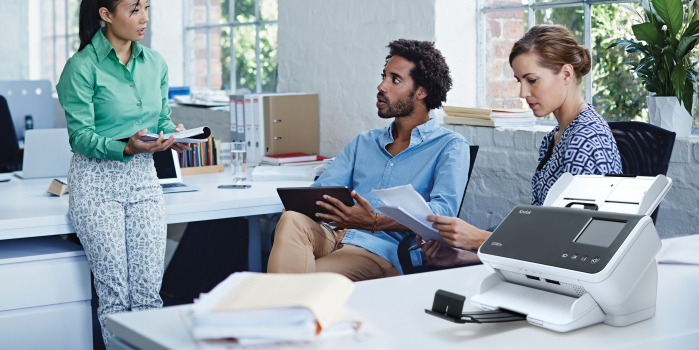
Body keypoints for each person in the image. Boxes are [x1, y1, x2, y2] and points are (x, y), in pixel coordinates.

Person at [56, 0, 191, 345]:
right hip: (97, 184)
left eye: (146, 8)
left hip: (144, 182)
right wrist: (125, 146)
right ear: (106, 14)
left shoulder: (156, 64)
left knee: (149, 295)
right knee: (115, 297)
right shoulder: (81, 67)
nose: (144, 18)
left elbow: (161, 118)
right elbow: (80, 136)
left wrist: (171, 136)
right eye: (134, 9)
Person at [420, 24, 622, 267]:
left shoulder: (585, 142)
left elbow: (572, 247)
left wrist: (478, 240)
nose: (523, 92)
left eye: (532, 80)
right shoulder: (556, 136)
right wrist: (467, 255)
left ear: (566, 74)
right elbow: (541, 232)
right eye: (519, 81)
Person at [267, 39, 470, 281]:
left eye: (395, 80)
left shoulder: (450, 146)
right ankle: (289, 310)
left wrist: (374, 221)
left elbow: (443, 215)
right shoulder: (364, 142)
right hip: (333, 235)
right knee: (292, 219)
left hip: (379, 249)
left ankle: (281, 307)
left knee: (304, 283)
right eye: (384, 76)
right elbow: (322, 191)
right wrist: (303, 205)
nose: (381, 86)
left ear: (421, 91)